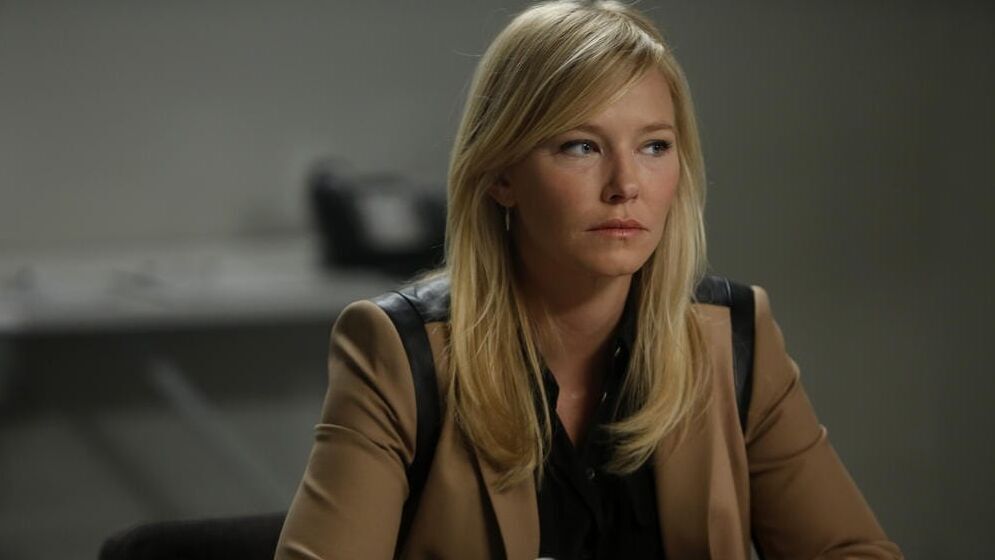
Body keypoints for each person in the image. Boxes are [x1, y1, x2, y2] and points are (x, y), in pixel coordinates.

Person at [275, 1, 902, 558]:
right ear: (501, 175)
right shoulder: (399, 353)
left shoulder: (737, 338)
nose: (626, 185)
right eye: (581, 146)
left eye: (654, 146)